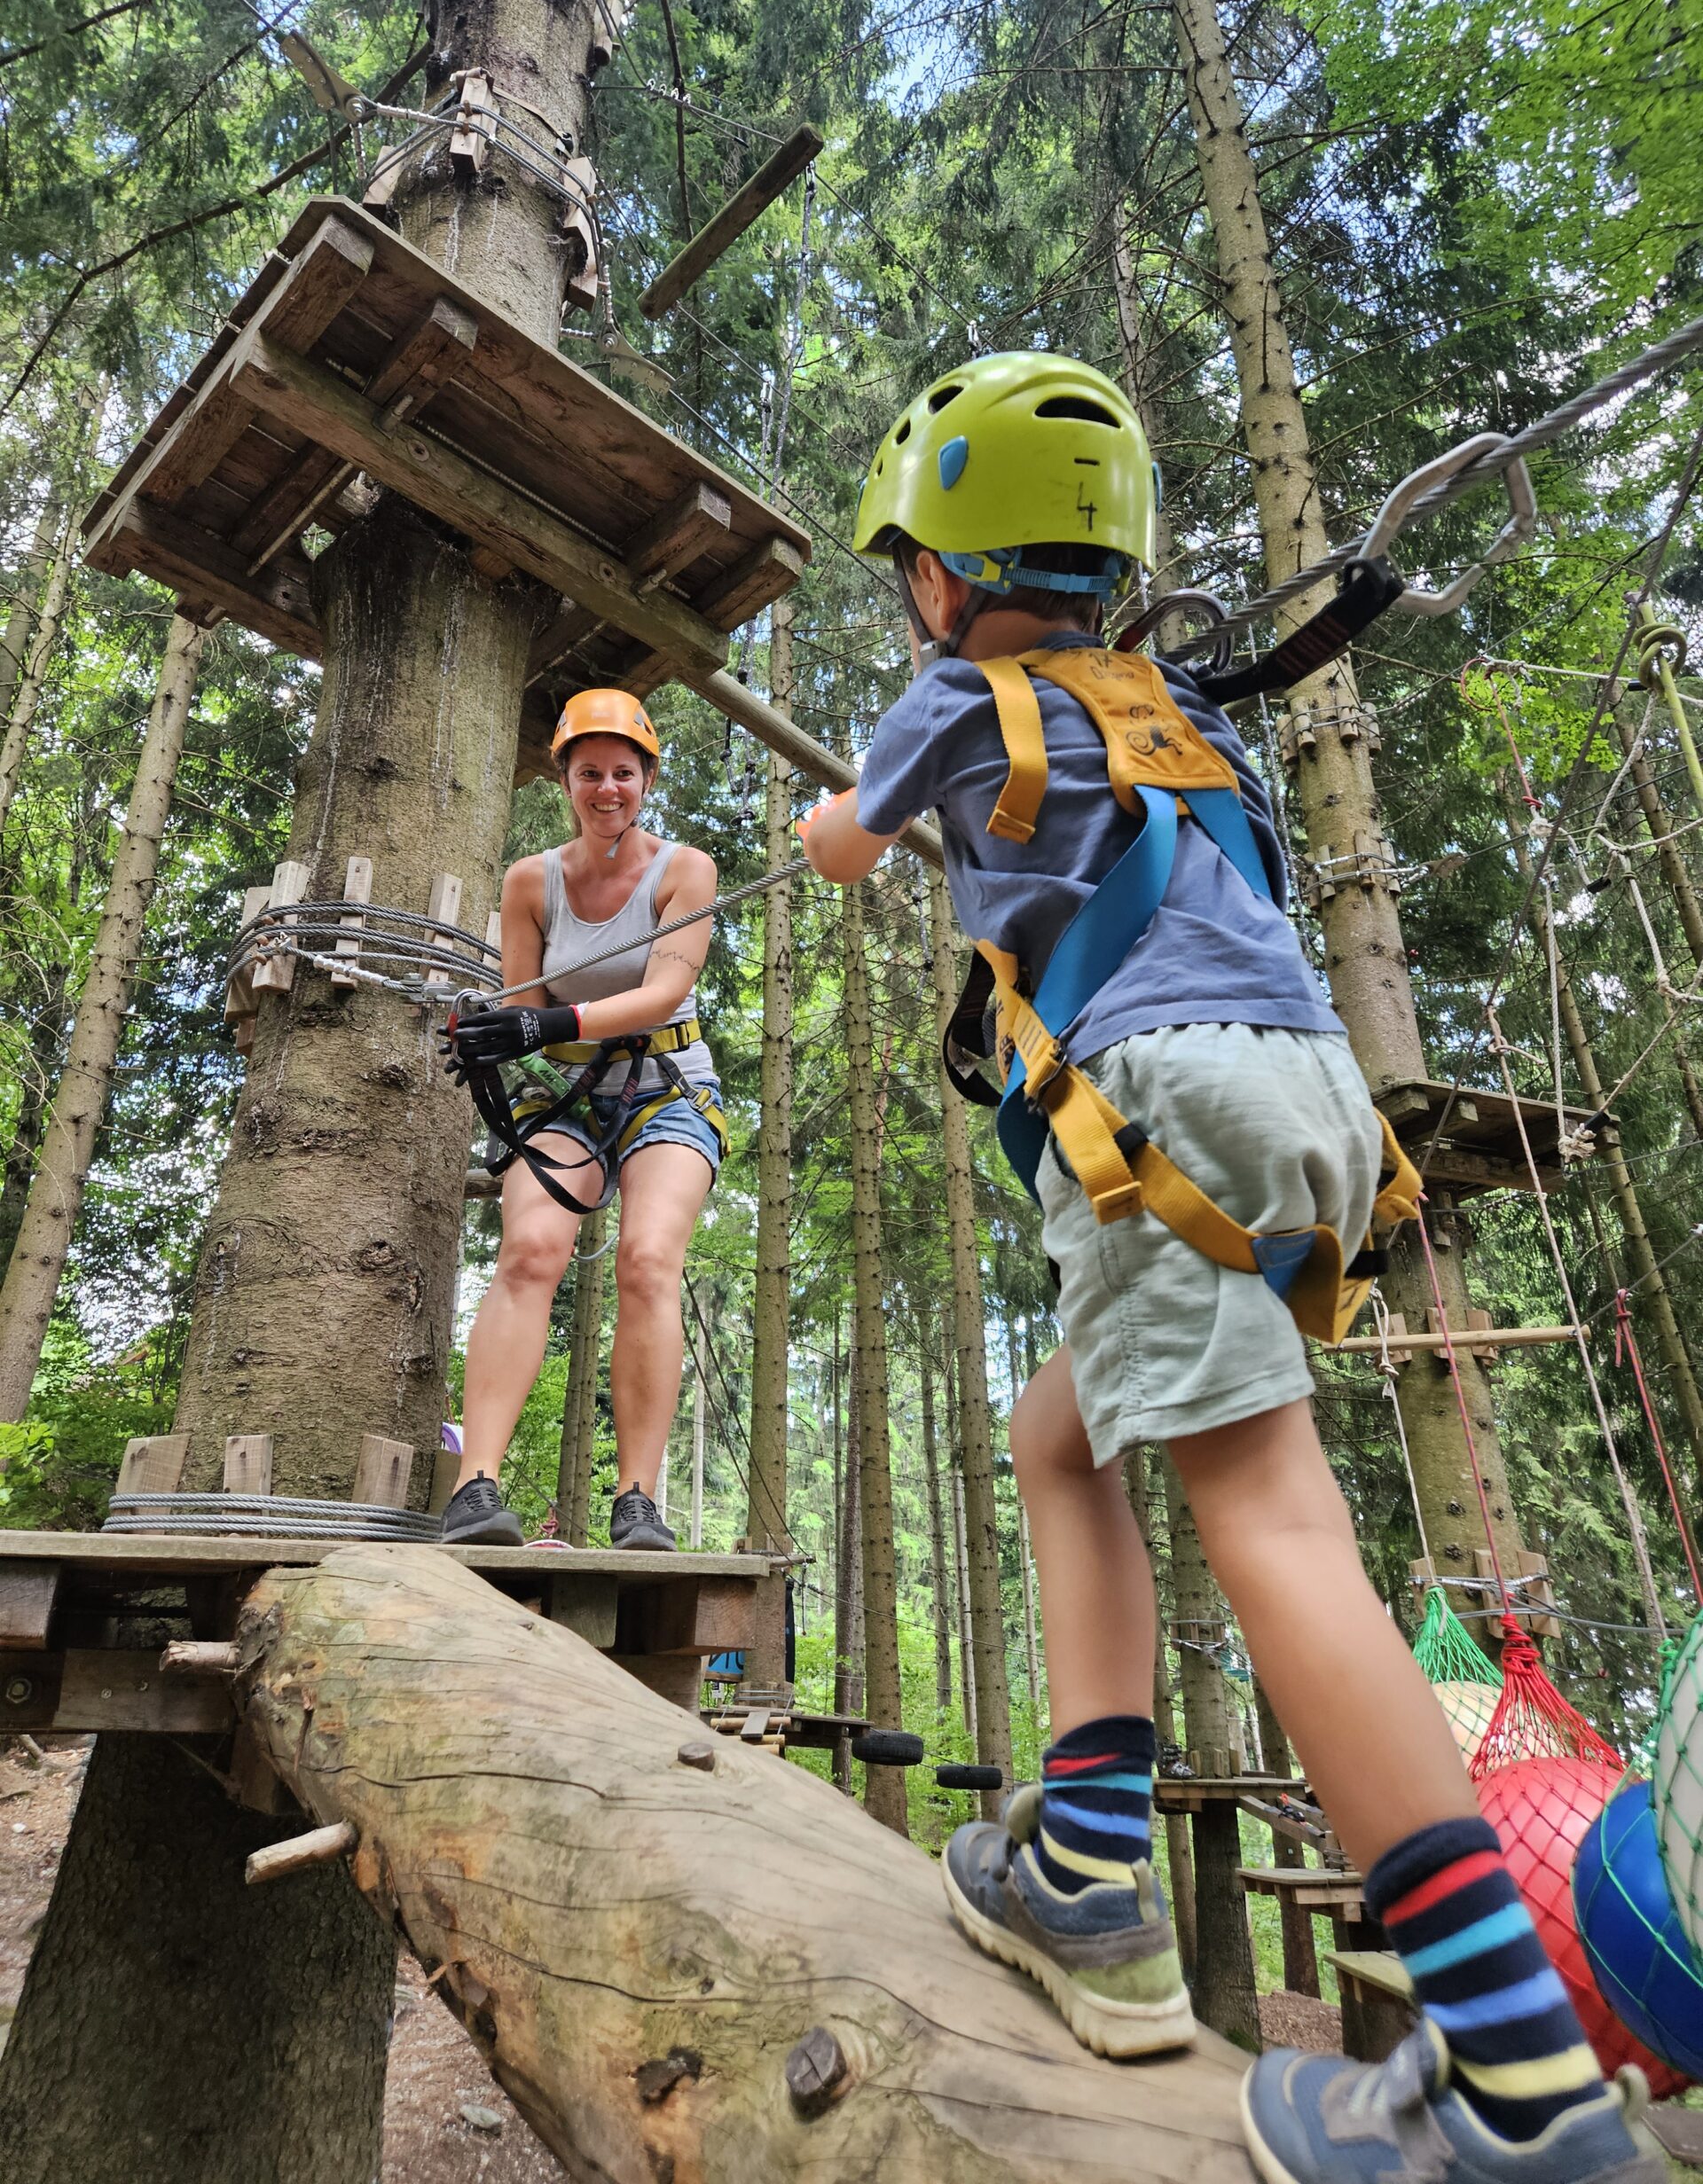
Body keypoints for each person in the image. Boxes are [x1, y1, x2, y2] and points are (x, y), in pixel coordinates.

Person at [800, 353, 1658, 2184]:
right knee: (1059, 1433)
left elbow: (837, 841)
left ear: (942, 567)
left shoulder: (955, 692)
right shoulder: (1188, 709)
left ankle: (1515, 2077)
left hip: (1166, 1103)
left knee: (1271, 1516)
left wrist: (855, 800)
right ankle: (1089, 1869)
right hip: (1313, 1100)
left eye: (908, 568)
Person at [438, 689, 726, 1554]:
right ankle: (475, 1485)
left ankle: (638, 1498)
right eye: (590, 772)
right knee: (530, 1251)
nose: (608, 788)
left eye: (624, 773)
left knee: (646, 1262)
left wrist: (544, 1022)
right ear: (564, 778)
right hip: (559, 1093)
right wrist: (493, 1033)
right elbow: (520, 998)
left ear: (646, 781)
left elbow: (664, 989)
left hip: (666, 1083)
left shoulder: (686, 871)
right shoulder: (532, 880)